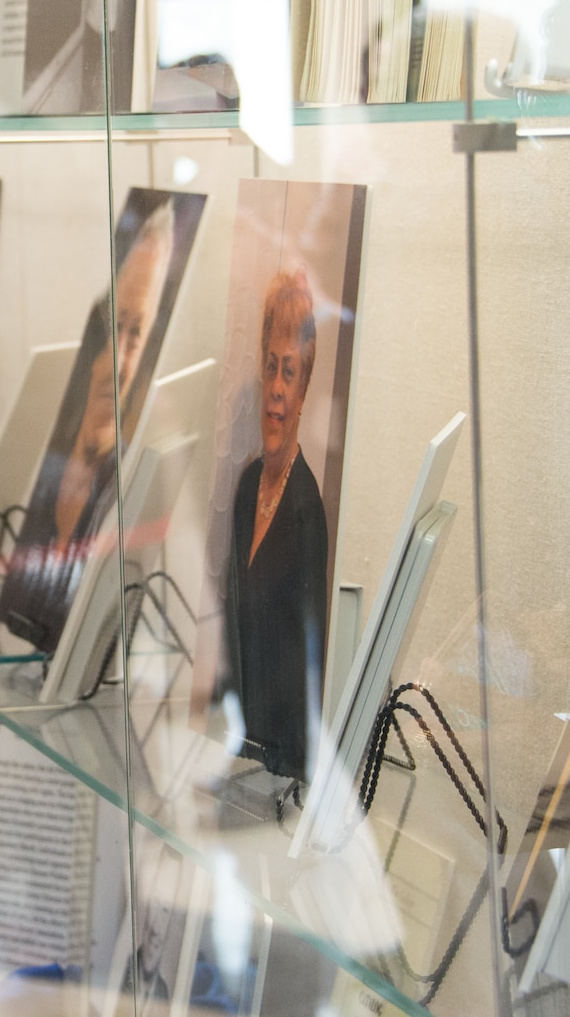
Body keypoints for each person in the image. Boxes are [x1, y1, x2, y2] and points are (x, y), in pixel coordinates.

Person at [0, 202, 175, 652]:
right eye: (114, 324)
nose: (118, 363)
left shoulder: (124, 489)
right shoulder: (50, 473)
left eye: (136, 335)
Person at [224, 266, 329, 782]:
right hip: (234, 751)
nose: (277, 391)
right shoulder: (246, 490)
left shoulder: (307, 509)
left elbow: (307, 673)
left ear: (305, 386)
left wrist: (292, 778)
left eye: (290, 372)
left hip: (281, 771)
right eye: (271, 368)